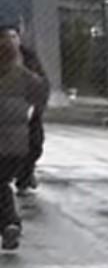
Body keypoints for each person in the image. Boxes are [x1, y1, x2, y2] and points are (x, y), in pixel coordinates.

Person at [0, 31, 48, 252]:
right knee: (1, 183)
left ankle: (9, 223)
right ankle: (9, 224)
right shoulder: (24, 76)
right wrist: (30, 113)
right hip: (16, 144)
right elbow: (42, 92)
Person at [7, 31, 49, 196]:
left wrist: (37, 107)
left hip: (26, 108)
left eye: (14, 36)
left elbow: (42, 84)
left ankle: (25, 175)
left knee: (35, 144)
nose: (11, 41)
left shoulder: (29, 57)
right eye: (6, 37)